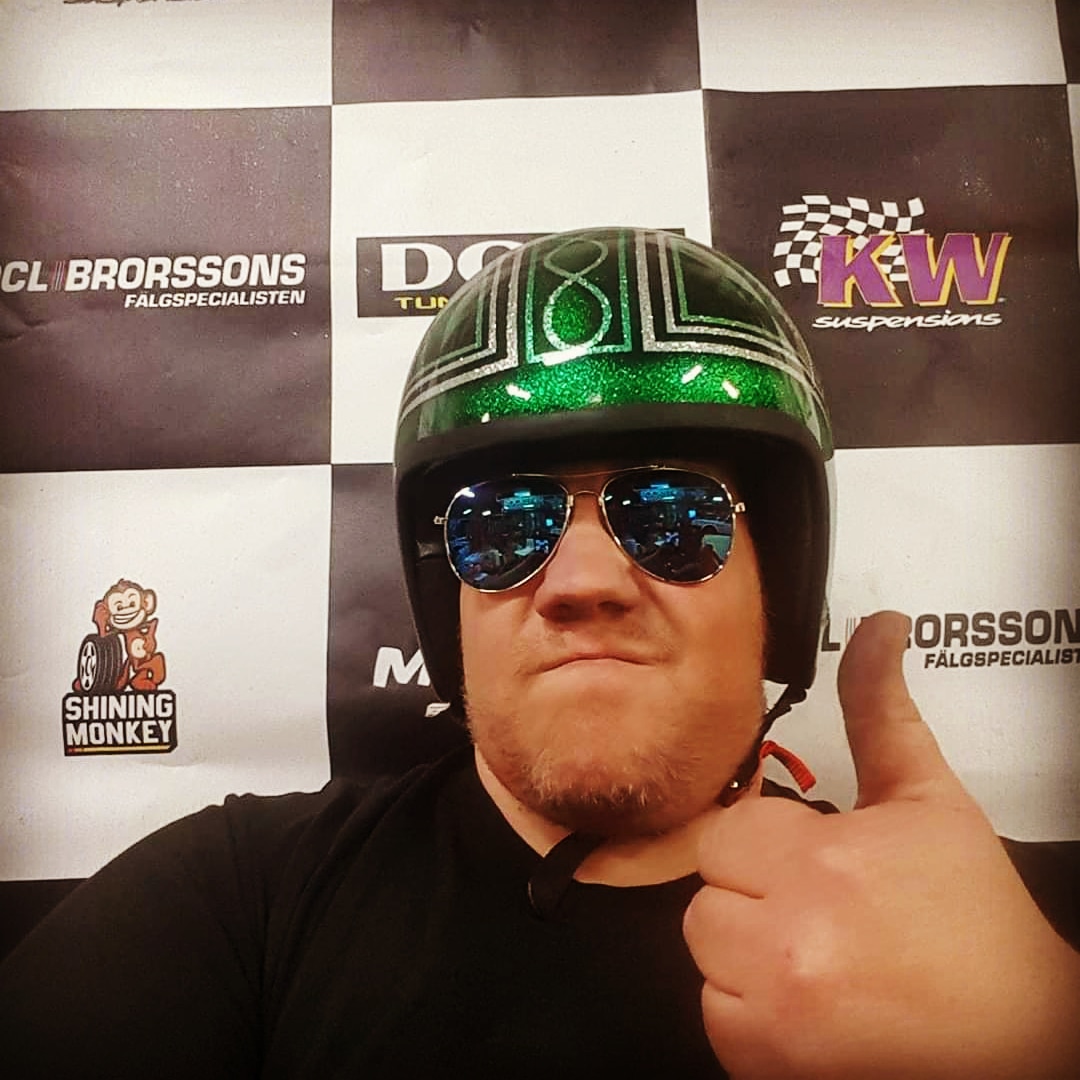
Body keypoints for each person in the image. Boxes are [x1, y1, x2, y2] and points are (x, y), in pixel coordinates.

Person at [1, 228, 1077, 1078]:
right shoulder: (243, 903)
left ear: (779, 583)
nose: (581, 581)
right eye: (505, 527)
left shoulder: (1003, 935)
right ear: (447, 597)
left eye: (672, 515)